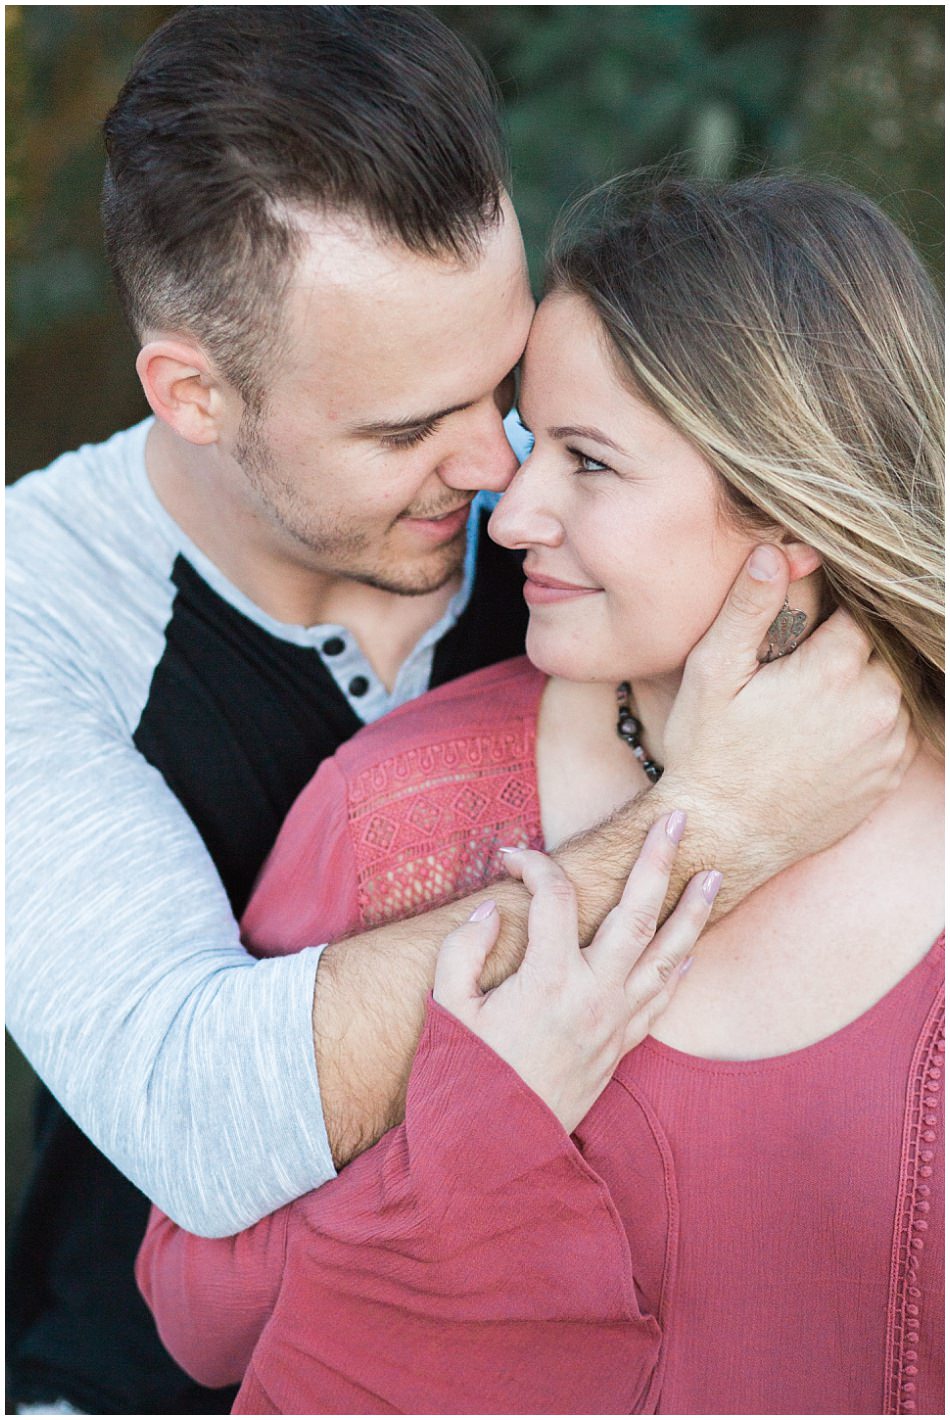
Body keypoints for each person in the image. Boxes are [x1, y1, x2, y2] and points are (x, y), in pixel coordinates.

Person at [5, 8, 911, 1415]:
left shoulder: (586, 530)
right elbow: (196, 1107)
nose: (495, 467)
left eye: (504, 383)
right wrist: (711, 819)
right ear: (194, 392)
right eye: (402, 427)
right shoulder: (36, 619)